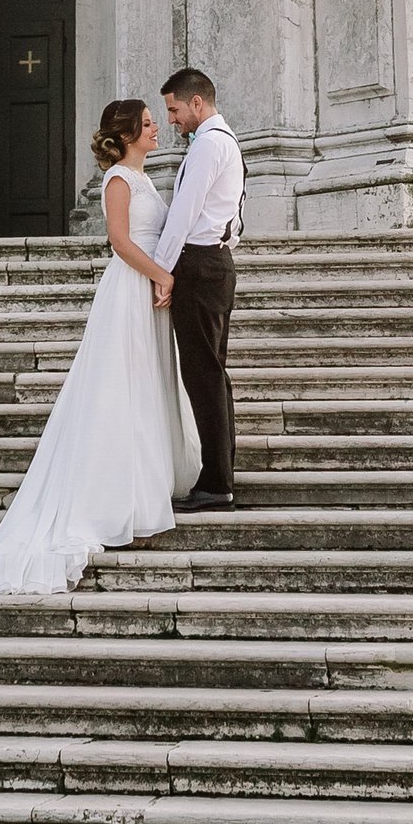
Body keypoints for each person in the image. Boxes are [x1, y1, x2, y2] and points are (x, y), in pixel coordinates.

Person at [0, 97, 198, 595]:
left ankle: (143, 483)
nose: (157, 130)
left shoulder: (144, 177)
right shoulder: (118, 180)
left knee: (145, 384)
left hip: (148, 287)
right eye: (149, 124)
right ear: (128, 133)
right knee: (121, 386)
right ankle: (112, 495)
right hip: (131, 289)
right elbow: (119, 240)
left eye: (157, 122)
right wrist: (161, 276)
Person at [154, 63, 244, 510]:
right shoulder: (223, 142)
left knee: (203, 374)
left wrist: (161, 272)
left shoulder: (209, 145)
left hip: (200, 265)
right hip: (215, 262)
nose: (171, 120)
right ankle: (221, 473)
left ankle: (215, 482)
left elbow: (183, 215)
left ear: (196, 102)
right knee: (212, 373)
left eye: (173, 110)